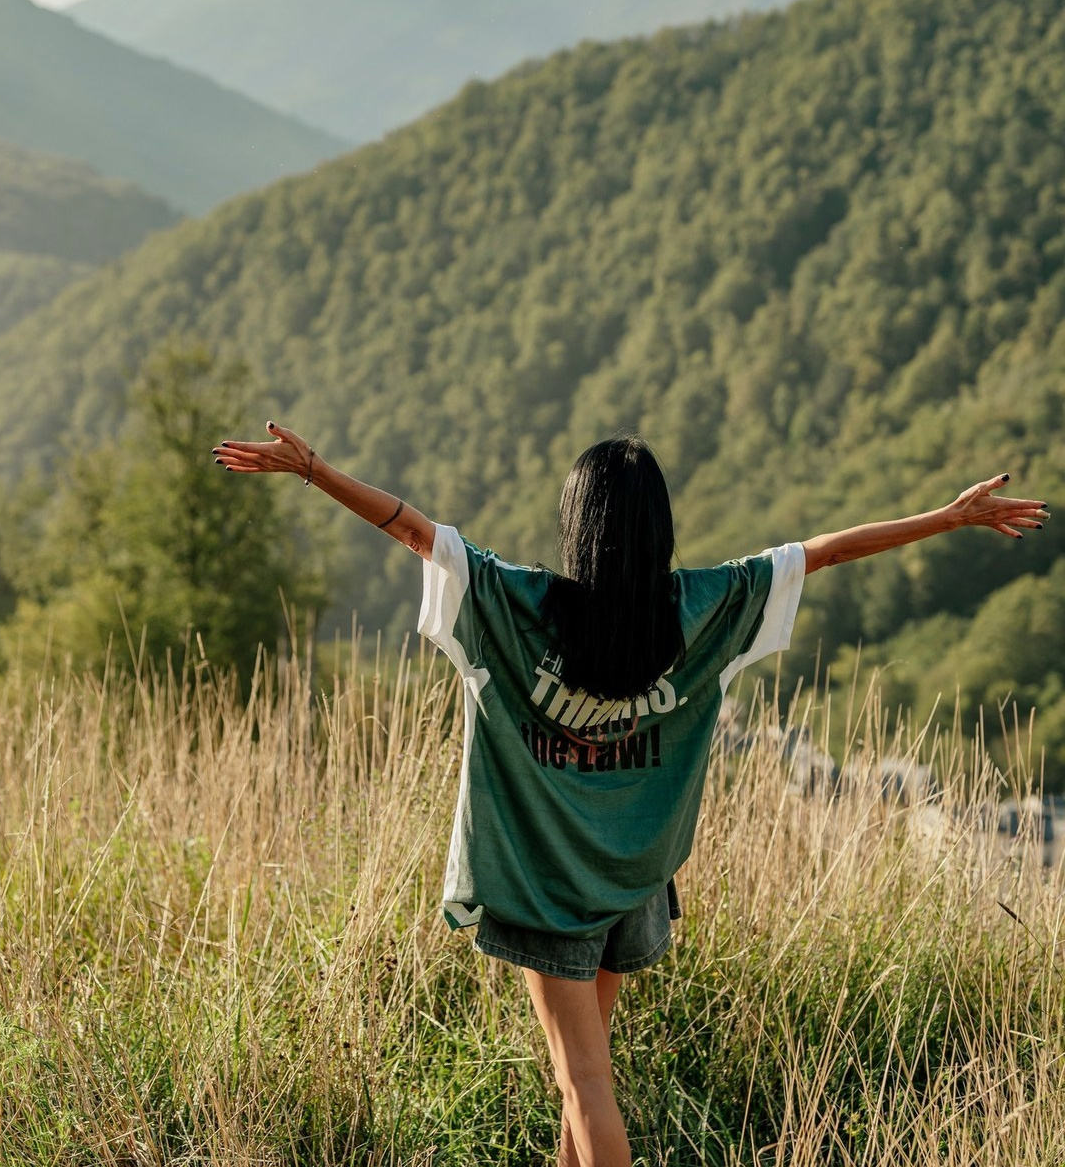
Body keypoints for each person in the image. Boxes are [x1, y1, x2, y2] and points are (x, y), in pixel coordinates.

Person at [212, 423, 1048, 1167]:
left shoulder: (519, 605)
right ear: (658, 531)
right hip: (638, 879)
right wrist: (947, 518)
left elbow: (411, 530)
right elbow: (821, 551)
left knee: (582, 1082)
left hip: (546, 887)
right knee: (586, 1075)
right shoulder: (699, 607)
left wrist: (314, 470)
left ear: (578, 524)